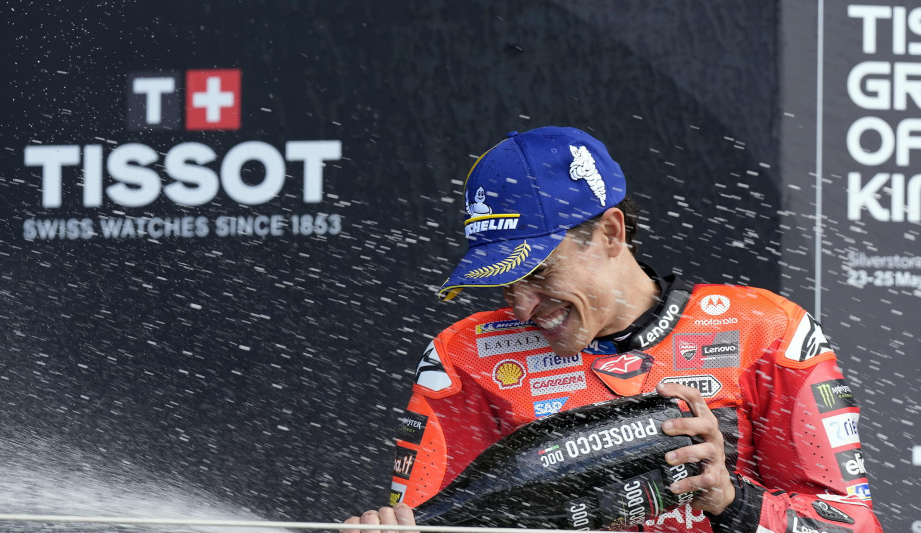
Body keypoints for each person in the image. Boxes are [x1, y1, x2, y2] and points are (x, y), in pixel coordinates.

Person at [345, 126, 883, 532]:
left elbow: (850, 523)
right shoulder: (466, 356)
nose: (523, 308)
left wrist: (732, 502)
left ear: (610, 232)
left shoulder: (767, 331)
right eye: (505, 283)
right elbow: (436, 521)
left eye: (538, 273)